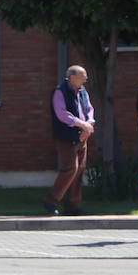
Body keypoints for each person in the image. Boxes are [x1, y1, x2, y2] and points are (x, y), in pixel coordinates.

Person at [42, 65, 94, 216]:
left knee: (79, 171)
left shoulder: (83, 91)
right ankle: (51, 201)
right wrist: (81, 124)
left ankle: (73, 206)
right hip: (66, 137)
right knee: (71, 168)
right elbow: (62, 114)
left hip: (82, 136)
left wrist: (88, 125)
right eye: (82, 76)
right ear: (71, 77)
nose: (85, 79)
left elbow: (89, 109)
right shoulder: (60, 91)